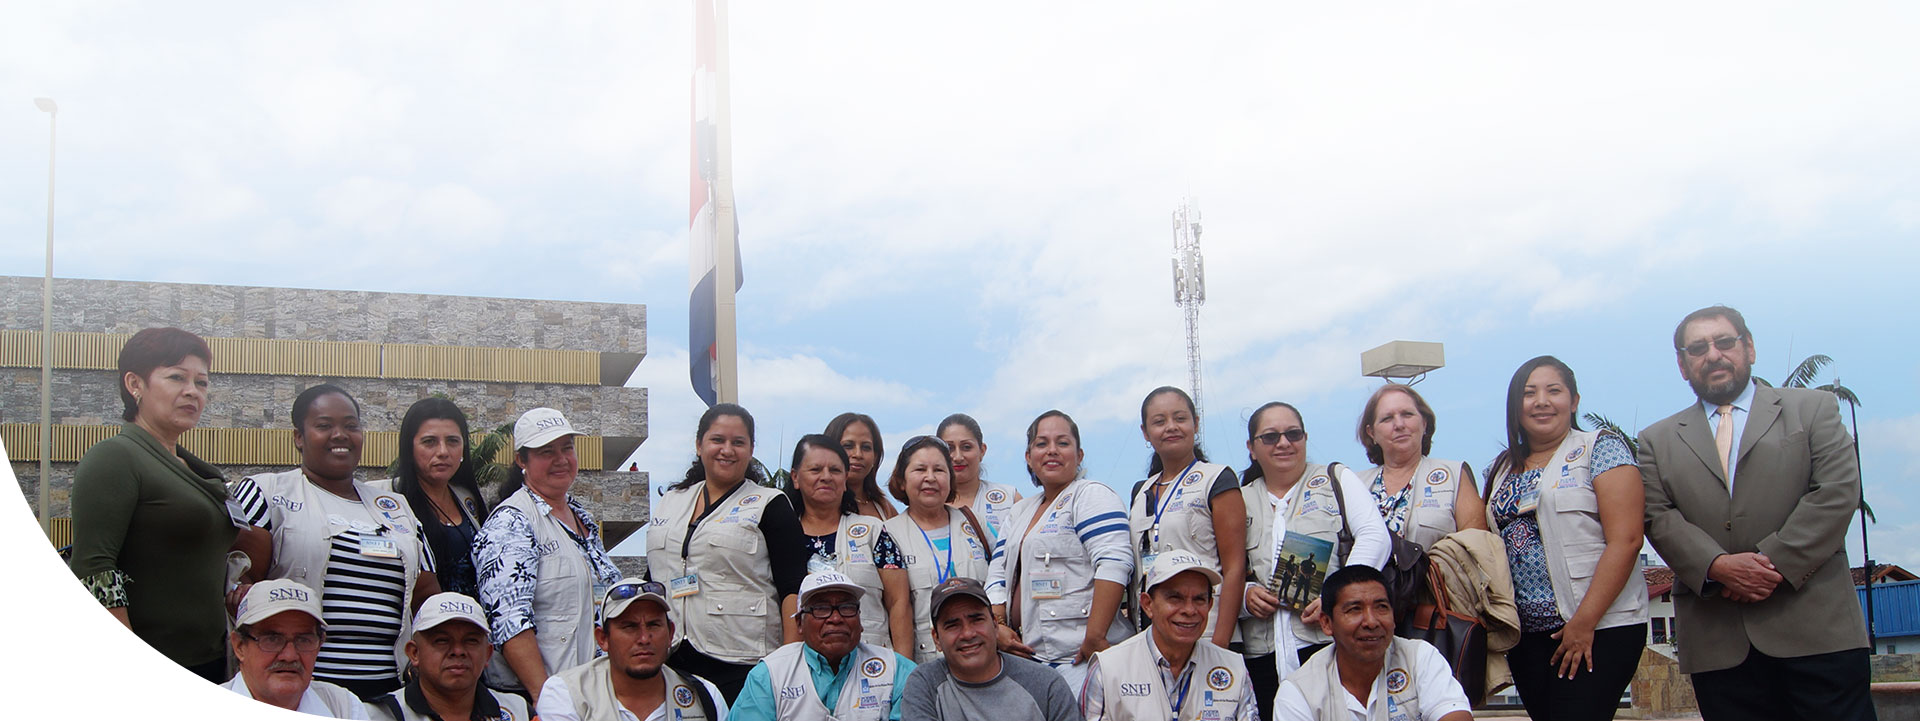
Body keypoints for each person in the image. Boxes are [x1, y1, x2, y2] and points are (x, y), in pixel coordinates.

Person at [1639, 306, 1873, 719]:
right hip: (1719, 643)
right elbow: (1657, 515)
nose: (1713, 355)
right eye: (1698, 348)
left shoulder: (1813, 409)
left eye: (1724, 342)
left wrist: (1772, 564)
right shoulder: (1656, 440)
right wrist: (1718, 567)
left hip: (1818, 631)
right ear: (1682, 365)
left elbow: (1837, 492)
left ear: (1749, 348)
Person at [231, 383, 442, 699]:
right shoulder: (266, 493)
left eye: (351, 426)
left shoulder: (397, 508)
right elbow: (242, 584)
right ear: (299, 437)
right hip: (297, 691)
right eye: (324, 425)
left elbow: (427, 598)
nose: (340, 435)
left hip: (387, 693)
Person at [68, 327, 238, 682]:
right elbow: (94, 570)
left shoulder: (196, 468)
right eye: (177, 377)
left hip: (211, 661)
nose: (192, 391)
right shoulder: (115, 457)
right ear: (135, 384)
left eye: (202, 382)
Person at [1482, 356, 1647, 720]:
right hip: (1527, 637)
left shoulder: (1600, 448)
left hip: (1597, 627)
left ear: (1574, 401)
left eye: (1553, 391)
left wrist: (1583, 623)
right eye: (1529, 393)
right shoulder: (1499, 468)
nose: (1541, 401)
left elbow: (1627, 540)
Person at [1236, 401, 1392, 719]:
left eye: (1293, 434)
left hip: (1328, 643)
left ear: (1305, 438)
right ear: (1251, 448)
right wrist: (1245, 595)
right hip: (1261, 653)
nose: (1283, 443)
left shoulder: (1335, 480)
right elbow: (1221, 568)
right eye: (1271, 437)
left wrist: (1337, 597)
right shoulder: (1239, 499)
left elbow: (1375, 536)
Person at [646, 403, 809, 702]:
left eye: (738, 442)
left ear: (751, 450)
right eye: (717, 440)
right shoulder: (671, 500)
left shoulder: (770, 503)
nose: (727, 450)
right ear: (699, 445)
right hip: (671, 659)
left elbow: (793, 589)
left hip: (743, 663)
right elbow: (654, 575)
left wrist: (789, 664)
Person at [473, 407, 622, 703]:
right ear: (521, 460)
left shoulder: (581, 517)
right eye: (546, 451)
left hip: (591, 692)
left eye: (567, 448)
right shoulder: (511, 522)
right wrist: (546, 700)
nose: (561, 459)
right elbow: (509, 621)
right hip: (540, 700)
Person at [985, 410, 1135, 692]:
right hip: (1031, 661)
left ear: (1079, 455)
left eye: (1062, 443)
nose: (1052, 450)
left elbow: (1114, 563)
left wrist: (1095, 637)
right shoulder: (1019, 511)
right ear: (1029, 457)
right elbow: (997, 573)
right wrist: (998, 626)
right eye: (1041, 444)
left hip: (1083, 658)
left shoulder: (1092, 495)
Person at [1126, 387, 1246, 647]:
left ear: (1196, 424)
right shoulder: (1141, 491)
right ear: (1145, 432)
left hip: (1205, 632)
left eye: (1180, 418)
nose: (1171, 427)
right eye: (1159, 421)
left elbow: (1235, 568)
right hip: (1150, 636)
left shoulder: (1216, 479)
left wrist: (1220, 643)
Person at [1274, 566, 1474, 721]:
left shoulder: (1418, 657)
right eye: (1354, 609)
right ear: (1326, 623)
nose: (1371, 622)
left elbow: (1455, 715)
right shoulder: (1300, 691)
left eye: (1381, 607)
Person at [1080, 553, 1256, 721]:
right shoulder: (1108, 669)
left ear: (1210, 605)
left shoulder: (1233, 667)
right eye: (1175, 598)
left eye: (1199, 599)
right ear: (1148, 605)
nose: (1189, 610)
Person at [731, 571, 919, 720]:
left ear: (860, 621)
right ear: (799, 623)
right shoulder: (770, 675)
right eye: (821, 609)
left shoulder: (897, 670)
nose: (835, 618)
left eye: (847, 607)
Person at [788, 434, 913, 652]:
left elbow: (899, 602)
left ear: (845, 479)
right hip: (803, 661)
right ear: (795, 477)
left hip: (872, 659)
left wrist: (905, 665)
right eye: (815, 470)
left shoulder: (873, 532)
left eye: (835, 470)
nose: (826, 477)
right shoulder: (782, 536)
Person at [538, 579, 729, 721]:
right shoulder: (566, 693)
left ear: (671, 634)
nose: (644, 639)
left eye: (654, 625)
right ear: (603, 639)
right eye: (629, 627)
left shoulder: (705, 695)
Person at [900, 577, 1083, 720]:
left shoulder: (1045, 683)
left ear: (995, 625)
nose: (967, 634)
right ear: (936, 639)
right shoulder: (925, 683)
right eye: (953, 625)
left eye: (976, 620)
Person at [883, 435, 993, 661]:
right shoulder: (888, 534)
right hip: (927, 662)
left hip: (982, 656)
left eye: (939, 470)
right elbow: (896, 608)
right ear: (902, 480)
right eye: (920, 469)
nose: (930, 478)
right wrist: (904, 670)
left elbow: (1000, 581)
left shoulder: (975, 523)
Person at [372, 398, 490, 600]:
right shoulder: (381, 497)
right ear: (409, 448)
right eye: (429, 442)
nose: (443, 452)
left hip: (473, 616)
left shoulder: (468, 500)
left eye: (452, 441)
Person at [1357, 383, 1488, 548]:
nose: (1399, 424)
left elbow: (1478, 547)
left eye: (1407, 414)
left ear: (1424, 423)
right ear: (1371, 433)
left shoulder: (1454, 476)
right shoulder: (1353, 485)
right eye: (1387, 418)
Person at [368, 592, 531, 721]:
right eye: (442, 641)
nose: (458, 651)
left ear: (487, 654)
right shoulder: (379, 715)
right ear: (414, 653)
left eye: (471, 641)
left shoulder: (519, 711)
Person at [223, 578, 370, 719]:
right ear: (239, 646)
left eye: (303, 640)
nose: (289, 656)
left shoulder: (343, 707)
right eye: (272, 640)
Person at [937, 413, 1022, 541]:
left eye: (966, 447)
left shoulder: (1009, 499)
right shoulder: (928, 504)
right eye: (949, 448)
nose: (958, 457)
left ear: (982, 451)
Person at [827, 412, 900, 520]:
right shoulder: (817, 505)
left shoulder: (885, 509)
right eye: (848, 446)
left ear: (875, 456)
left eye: (866, 447)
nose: (858, 454)